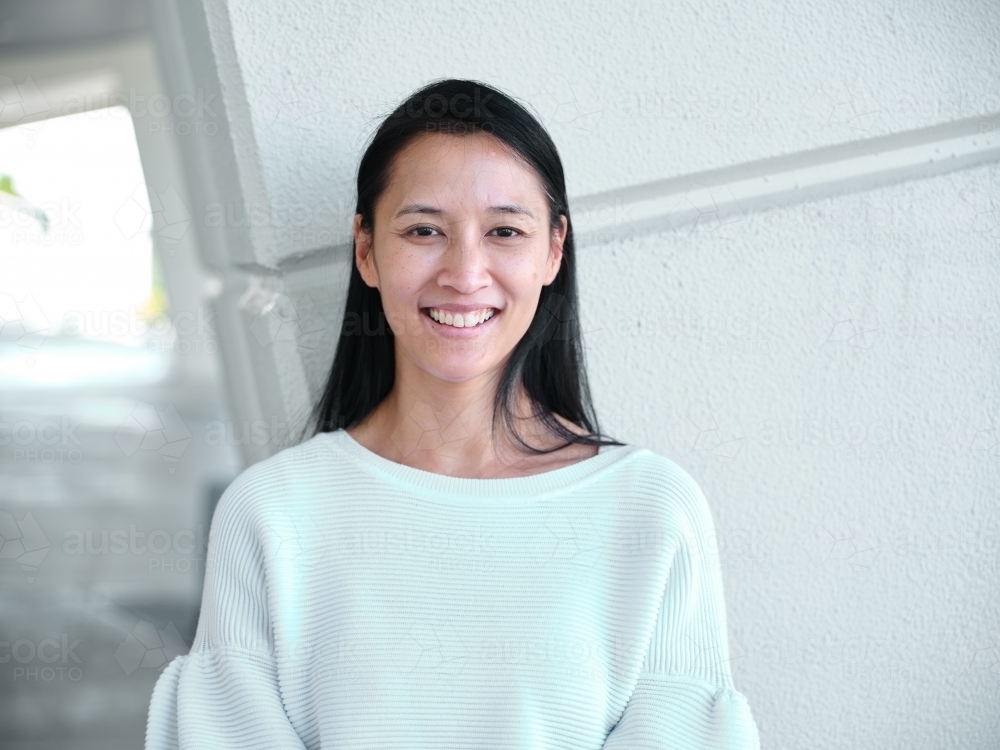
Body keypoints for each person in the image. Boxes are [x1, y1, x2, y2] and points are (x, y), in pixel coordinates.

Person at [145, 78, 762, 749]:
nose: (465, 274)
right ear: (366, 249)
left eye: (505, 231)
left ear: (554, 249)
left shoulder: (650, 509)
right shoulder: (270, 514)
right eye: (423, 230)